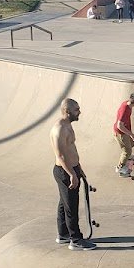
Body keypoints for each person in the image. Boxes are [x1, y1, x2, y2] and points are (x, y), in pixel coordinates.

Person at [50, 98, 96, 249]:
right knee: (71, 206)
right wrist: (72, 174)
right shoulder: (59, 129)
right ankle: (75, 240)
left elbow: (71, 150)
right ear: (67, 111)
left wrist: (78, 168)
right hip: (65, 171)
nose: (79, 112)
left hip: (72, 169)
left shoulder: (68, 125)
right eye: (77, 110)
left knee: (64, 203)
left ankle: (63, 234)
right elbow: (61, 156)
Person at [114, 91, 134, 176]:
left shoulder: (127, 103)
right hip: (121, 133)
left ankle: (128, 156)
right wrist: (131, 134)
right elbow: (120, 125)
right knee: (126, 151)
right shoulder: (125, 110)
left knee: (131, 143)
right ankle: (120, 168)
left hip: (125, 131)